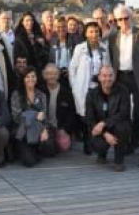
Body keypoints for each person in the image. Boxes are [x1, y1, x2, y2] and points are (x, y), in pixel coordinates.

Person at [110, 5, 139, 148]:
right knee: (122, 111)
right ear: (116, 21)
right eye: (120, 19)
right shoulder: (113, 36)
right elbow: (111, 59)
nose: (123, 21)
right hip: (120, 77)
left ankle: (137, 140)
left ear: (131, 18)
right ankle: (125, 140)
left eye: (126, 18)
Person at [69, 22, 110, 154]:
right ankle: (88, 142)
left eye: (97, 31)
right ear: (86, 33)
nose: (94, 34)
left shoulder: (104, 48)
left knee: (97, 114)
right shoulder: (80, 48)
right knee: (85, 116)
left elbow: (107, 67)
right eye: (91, 31)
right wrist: (74, 85)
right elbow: (72, 68)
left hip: (98, 87)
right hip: (82, 86)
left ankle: (95, 142)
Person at [86, 65, 131, 171]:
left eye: (110, 75)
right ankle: (102, 155)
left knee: (122, 127)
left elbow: (124, 113)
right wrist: (105, 134)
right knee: (99, 144)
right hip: (99, 129)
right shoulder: (91, 94)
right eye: (104, 76)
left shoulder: (123, 90)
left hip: (116, 125)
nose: (107, 79)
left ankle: (119, 161)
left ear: (114, 77)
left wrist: (103, 123)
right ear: (99, 77)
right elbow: (89, 118)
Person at [11, 67, 55, 167]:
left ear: (37, 78)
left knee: (50, 148)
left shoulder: (42, 95)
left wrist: (44, 130)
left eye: (33, 76)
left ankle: (35, 147)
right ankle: (25, 149)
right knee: (29, 162)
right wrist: (35, 115)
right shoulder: (16, 94)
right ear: (23, 79)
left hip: (38, 128)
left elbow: (44, 116)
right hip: (22, 131)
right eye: (27, 77)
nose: (31, 79)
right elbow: (16, 117)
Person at [40, 64, 75, 153]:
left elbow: (72, 114)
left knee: (64, 146)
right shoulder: (40, 90)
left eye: (55, 74)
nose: (52, 76)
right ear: (44, 75)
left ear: (58, 75)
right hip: (46, 127)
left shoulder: (66, 91)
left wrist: (65, 129)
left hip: (60, 127)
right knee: (49, 149)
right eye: (49, 74)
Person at [49, 16, 79, 85]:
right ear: (55, 28)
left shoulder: (75, 40)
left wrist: (72, 71)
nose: (61, 29)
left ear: (67, 27)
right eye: (58, 27)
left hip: (71, 77)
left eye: (63, 26)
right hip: (57, 77)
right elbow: (51, 60)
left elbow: (80, 59)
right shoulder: (53, 41)